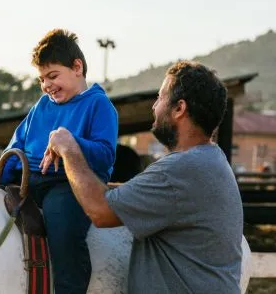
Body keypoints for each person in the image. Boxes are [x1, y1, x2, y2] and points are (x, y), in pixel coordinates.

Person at [41, 61, 244, 293]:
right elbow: (134, 193)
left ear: (179, 108)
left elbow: (100, 211)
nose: (154, 107)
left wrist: (70, 149)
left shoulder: (179, 170)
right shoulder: (210, 160)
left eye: (160, 98)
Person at [0, 29, 118, 293]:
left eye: (53, 76)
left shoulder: (99, 105)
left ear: (77, 67)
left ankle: (69, 288)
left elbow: (105, 155)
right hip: (30, 177)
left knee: (62, 229)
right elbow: (18, 143)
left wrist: (71, 142)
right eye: (42, 79)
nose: (47, 85)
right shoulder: (41, 106)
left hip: (69, 184)